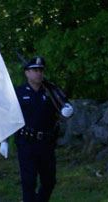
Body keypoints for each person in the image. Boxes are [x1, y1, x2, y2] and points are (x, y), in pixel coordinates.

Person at [14, 56, 73, 202]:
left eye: (41, 70)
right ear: (27, 73)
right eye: (35, 70)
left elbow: (64, 107)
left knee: (49, 181)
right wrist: (4, 140)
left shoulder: (51, 91)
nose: (39, 73)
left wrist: (67, 110)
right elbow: (8, 117)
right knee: (29, 182)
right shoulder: (18, 92)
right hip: (26, 142)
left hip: (46, 142)